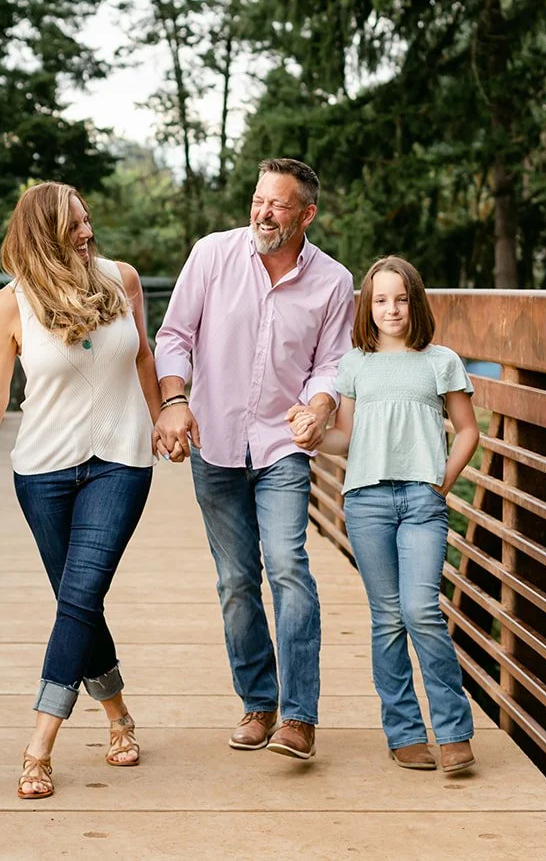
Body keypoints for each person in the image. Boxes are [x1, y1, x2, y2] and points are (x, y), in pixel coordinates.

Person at [0, 182, 163, 800]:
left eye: (87, 219)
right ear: (42, 232)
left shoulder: (121, 280)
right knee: (81, 600)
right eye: (73, 224)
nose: (87, 231)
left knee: (78, 596)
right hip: (42, 472)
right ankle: (118, 714)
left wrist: (165, 416)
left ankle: (39, 744)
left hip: (120, 461)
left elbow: (143, 356)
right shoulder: (10, 305)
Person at [153, 158, 355, 761]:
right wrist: (175, 400)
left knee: (288, 565)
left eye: (278, 205)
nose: (263, 213)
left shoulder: (334, 282)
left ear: (306, 214)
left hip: (282, 443)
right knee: (237, 580)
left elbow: (332, 362)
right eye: (258, 200)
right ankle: (258, 702)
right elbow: (174, 336)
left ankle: (298, 716)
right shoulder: (212, 255)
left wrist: (320, 405)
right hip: (213, 439)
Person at [289, 256, 479, 773]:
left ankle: (454, 730)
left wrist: (442, 482)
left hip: (421, 502)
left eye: (400, 299)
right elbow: (345, 438)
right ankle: (405, 734)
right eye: (380, 300)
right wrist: (311, 434)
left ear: (415, 303)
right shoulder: (355, 365)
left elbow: (468, 430)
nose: (391, 309)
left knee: (422, 611)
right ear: (367, 308)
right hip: (367, 501)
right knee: (388, 619)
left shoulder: (441, 361)